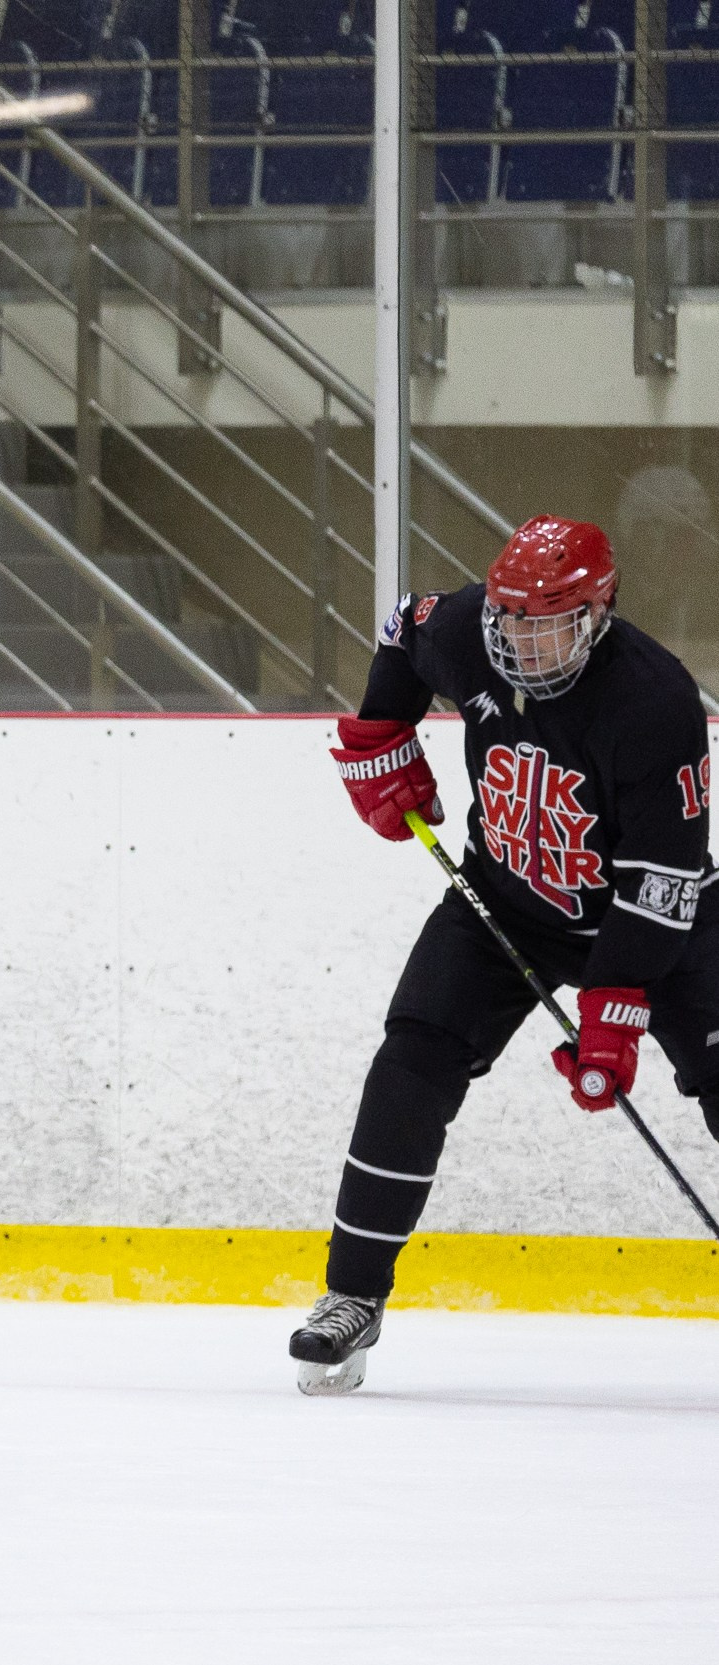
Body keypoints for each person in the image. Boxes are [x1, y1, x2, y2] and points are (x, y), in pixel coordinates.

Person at [296, 516, 717, 1393]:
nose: (522, 642)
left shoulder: (656, 702)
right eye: (511, 620)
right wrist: (380, 741)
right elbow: (402, 632)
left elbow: (662, 877)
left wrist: (613, 1011)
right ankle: (352, 1294)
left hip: (657, 920)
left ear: (597, 615)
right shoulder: (466, 630)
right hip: (506, 905)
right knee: (411, 1060)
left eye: (548, 624)